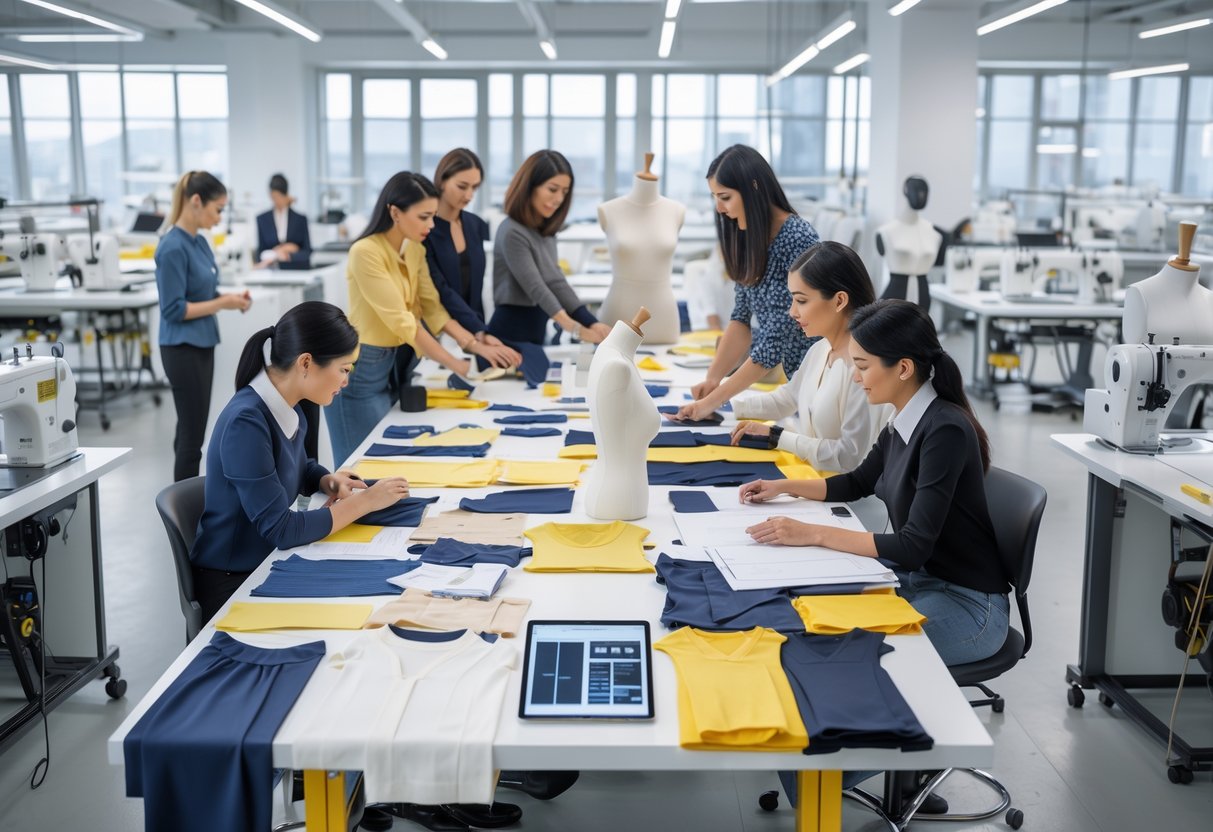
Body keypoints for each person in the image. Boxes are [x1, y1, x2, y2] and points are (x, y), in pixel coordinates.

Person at [738, 299, 1009, 666]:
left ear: (903, 368)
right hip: (920, 580)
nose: (855, 376)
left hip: (968, 604)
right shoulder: (903, 418)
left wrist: (813, 533)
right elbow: (856, 482)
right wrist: (783, 487)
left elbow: (912, 546)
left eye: (862, 366)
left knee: (849, 654)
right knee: (808, 614)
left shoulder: (944, 430)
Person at [190, 301, 411, 623]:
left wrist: (326, 480)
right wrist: (365, 502)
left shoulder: (286, 404)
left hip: (268, 562)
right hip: (234, 583)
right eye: (344, 369)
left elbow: (297, 463)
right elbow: (281, 529)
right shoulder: (247, 422)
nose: (346, 381)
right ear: (306, 362)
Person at [325, 172, 516, 465]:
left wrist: (473, 345)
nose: (431, 225)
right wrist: (458, 364)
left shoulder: (414, 249)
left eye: (433, 217)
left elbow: (433, 308)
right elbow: (404, 322)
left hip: (397, 365)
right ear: (395, 213)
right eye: (424, 217)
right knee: (361, 469)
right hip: (360, 374)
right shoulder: (366, 252)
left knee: (390, 464)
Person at [675, 145, 818, 422]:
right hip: (794, 382)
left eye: (725, 197)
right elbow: (741, 318)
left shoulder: (797, 238)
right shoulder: (749, 236)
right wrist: (713, 379)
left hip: (815, 375)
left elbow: (777, 337)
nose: (719, 208)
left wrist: (714, 401)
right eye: (715, 198)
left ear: (753, 187)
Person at [729, 241, 887, 473]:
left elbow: (849, 456)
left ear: (839, 301)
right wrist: (726, 405)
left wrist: (777, 436)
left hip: (844, 499)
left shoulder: (863, 367)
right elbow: (787, 399)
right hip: (813, 481)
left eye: (801, 300)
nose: (792, 312)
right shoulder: (821, 349)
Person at [156, 170, 252, 482]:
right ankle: (183, 511)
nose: (219, 217)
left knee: (190, 428)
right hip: (181, 348)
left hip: (201, 344)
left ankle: (180, 497)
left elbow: (203, 294)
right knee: (192, 437)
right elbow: (174, 309)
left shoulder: (199, 243)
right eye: (218, 209)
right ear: (196, 201)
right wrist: (221, 304)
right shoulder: (172, 247)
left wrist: (230, 298)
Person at [488, 150, 612, 347]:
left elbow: (555, 281)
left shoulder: (544, 232)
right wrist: (576, 329)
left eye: (564, 191)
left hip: (534, 332)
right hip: (508, 334)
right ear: (529, 187)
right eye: (552, 189)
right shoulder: (512, 231)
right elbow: (536, 287)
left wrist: (591, 322)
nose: (559, 199)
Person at [425, 148, 522, 370]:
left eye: (474, 188)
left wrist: (481, 332)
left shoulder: (475, 225)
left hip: (473, 334)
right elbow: (441, 290)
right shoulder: (425, 230)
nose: (468, 195)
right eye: (462, 186)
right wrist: (476, 331)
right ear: (441, 181)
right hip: (437, 334)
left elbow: (475, 289)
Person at [256, 173, 312, 270]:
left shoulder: (300, 219)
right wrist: (276, 253)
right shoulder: (262, 219)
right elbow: (260, 253)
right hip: (270, 272)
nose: (276, 201)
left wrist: (288, 255)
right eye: (274, 197)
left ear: (286, 195)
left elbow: (307, 252)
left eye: (279, 196)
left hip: (296, 271)